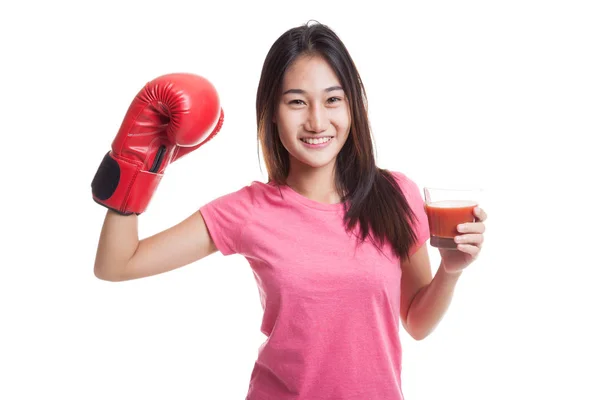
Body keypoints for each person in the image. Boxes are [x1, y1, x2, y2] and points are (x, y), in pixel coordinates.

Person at [93, 21, 487, 400]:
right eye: (297, 102)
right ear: (272, 112)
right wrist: (138, 164)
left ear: (353, 107)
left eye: (333, 100)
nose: (317, 121)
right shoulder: (248, 210)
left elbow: (416, 323)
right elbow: (117, 264)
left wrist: (450, 271)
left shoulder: (396, 194)